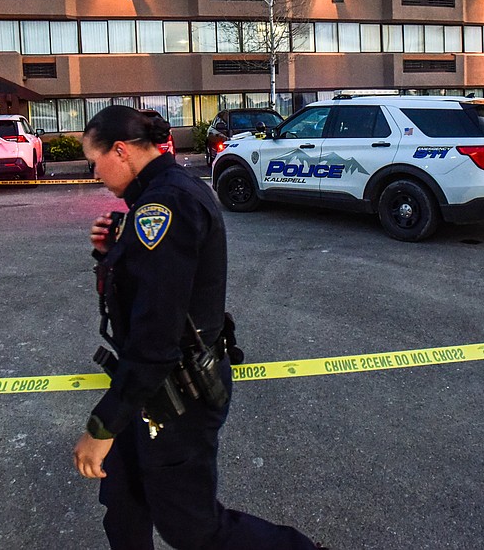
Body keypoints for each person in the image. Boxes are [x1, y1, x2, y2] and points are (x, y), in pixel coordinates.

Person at [72, 105, 321, 550]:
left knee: (192, 528)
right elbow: (146, 285)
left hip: (176, 395)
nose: (95, 175)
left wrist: (102, 426)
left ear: (121, 151)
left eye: (95, 163)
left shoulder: (165, 205)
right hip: (150, 385)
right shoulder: (157, 197)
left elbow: (156, 334)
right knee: (124, 498)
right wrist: (111, 251)